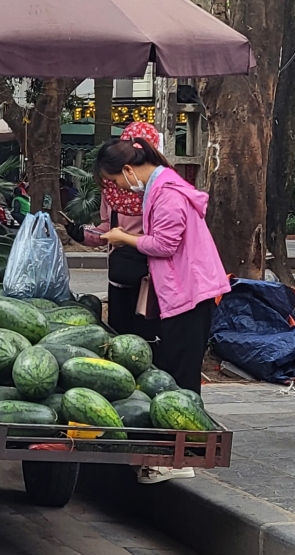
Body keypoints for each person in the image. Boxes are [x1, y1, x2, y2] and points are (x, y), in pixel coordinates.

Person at [88, 135, 230, 483]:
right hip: (182, 292)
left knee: (182, 378)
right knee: (174, 371)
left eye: (116, 180)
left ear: (127, 169)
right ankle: (175, 452)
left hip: (190, 293)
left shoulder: (167, 194)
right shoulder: (161, 187)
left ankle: (182, 458)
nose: (119, 187)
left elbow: (164, 245)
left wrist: (124, 238)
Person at [66, 122, 161, 342]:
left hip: (150, 280)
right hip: (119, 277)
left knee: (148, 339)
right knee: (120, 337)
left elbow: (164, 241)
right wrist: (82, 234)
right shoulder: (112, 191)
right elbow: (105, 230)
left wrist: (127, 240)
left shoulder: (160, 191)